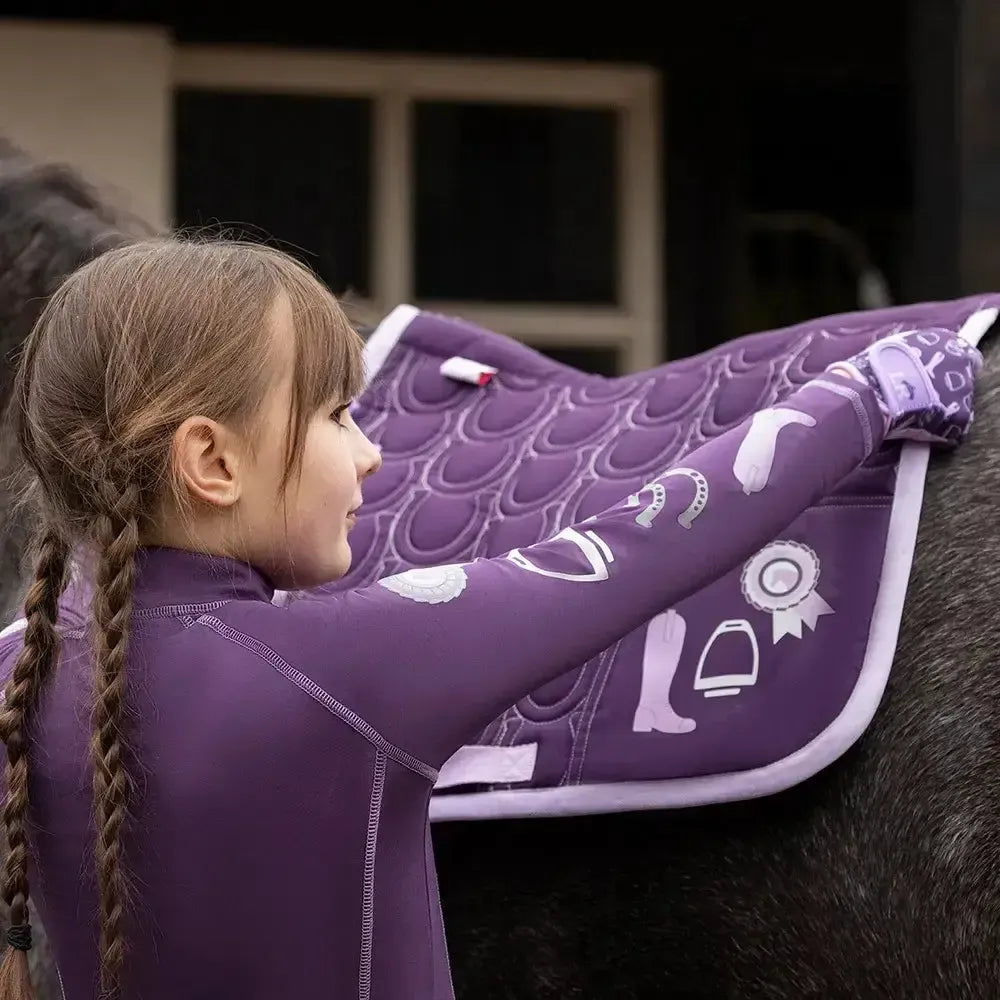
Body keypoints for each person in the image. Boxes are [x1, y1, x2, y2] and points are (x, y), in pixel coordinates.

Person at [0, 237, 983, 1000]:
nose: (373, 455)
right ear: (211, 461)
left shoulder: (18, 674)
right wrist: (861, 395)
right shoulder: (345, 670)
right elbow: (640, 547)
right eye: (339, 416)